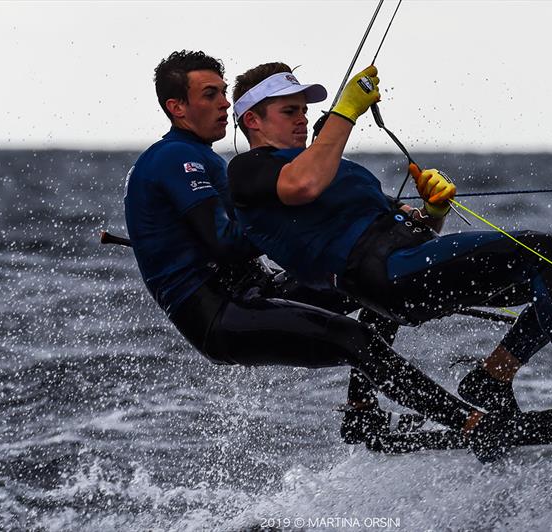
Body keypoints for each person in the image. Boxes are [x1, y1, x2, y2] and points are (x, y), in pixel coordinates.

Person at [122, 50, 525, 461]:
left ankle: (362, 410)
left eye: (224, 93)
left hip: (255, 291)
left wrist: (385, 212)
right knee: (352, 338)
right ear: (177, 108)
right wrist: (288, 213)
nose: (223, 102)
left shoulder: (209, 159)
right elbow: (226, 244)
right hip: (216, 313)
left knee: (363, 282)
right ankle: (473, 424)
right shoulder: (172, 157)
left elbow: (261, 218)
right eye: (209, 95)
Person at [227, 61, 552, 425]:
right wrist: (346, 112)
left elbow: (412, 236)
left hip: (404, 268)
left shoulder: (328, 173)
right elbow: (305, 190)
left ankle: (492, 380)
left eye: (305, 111)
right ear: (253, 120)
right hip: (385, 277)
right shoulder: (249, 172)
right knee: (538, 247)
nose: (302, 120)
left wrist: (434, 213)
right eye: (290, 112)